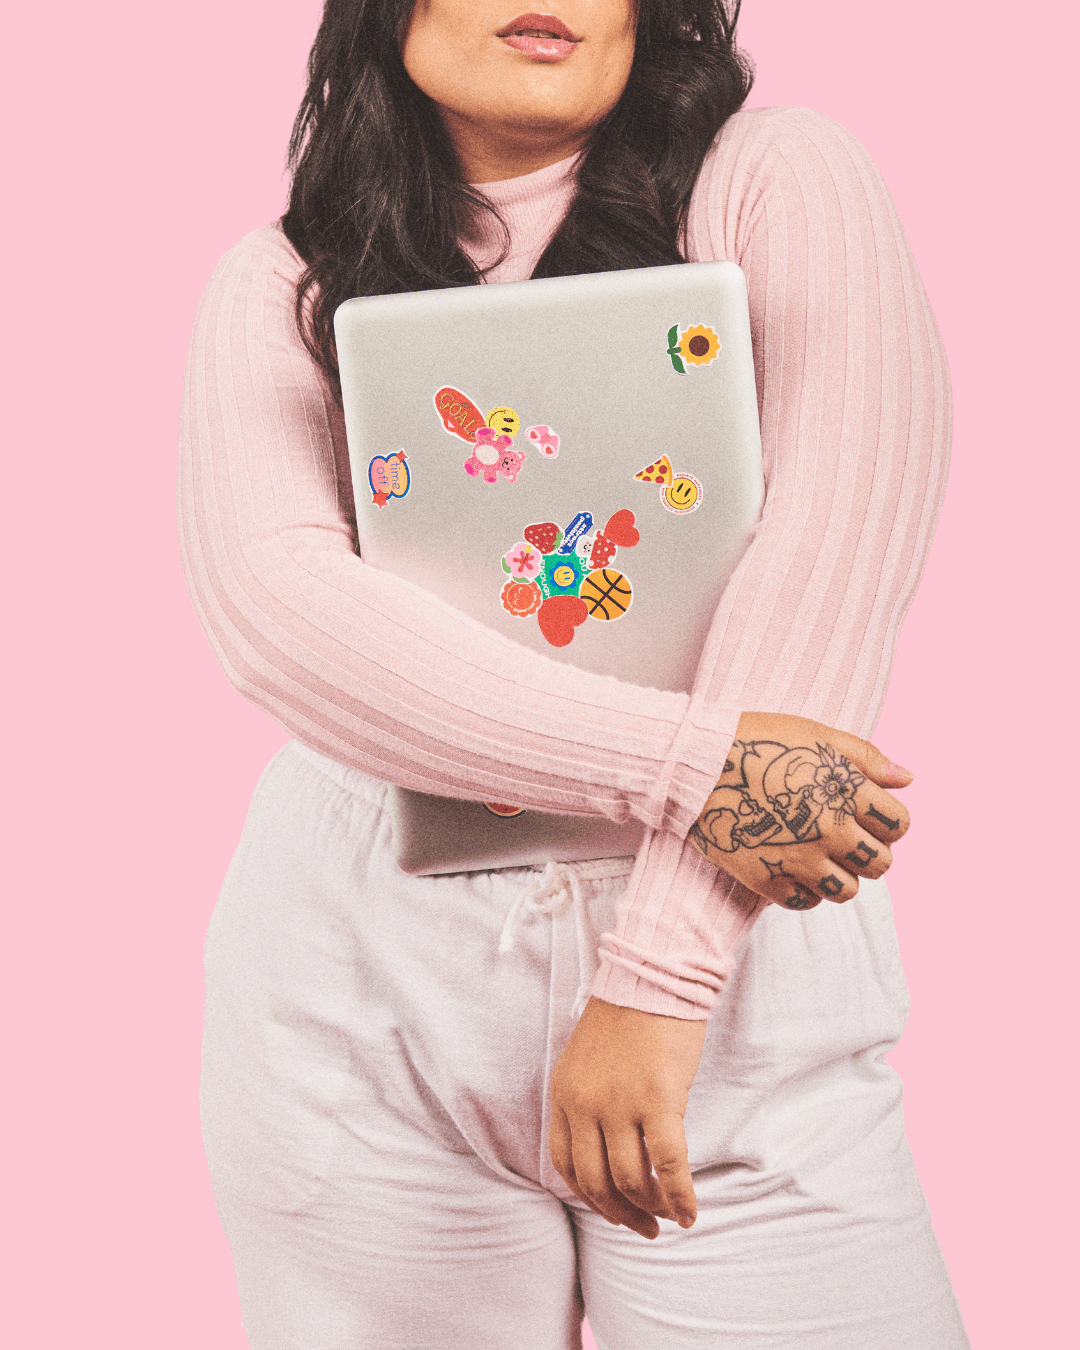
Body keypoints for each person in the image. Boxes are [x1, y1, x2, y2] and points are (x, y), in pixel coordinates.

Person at [179, 1, 969, 1345]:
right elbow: (278, 612)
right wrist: (703, 767)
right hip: (362, 995)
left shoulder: (780, 178)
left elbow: (834, 560)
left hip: (739, 980)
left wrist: (659, 978)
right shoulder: (285, 278)